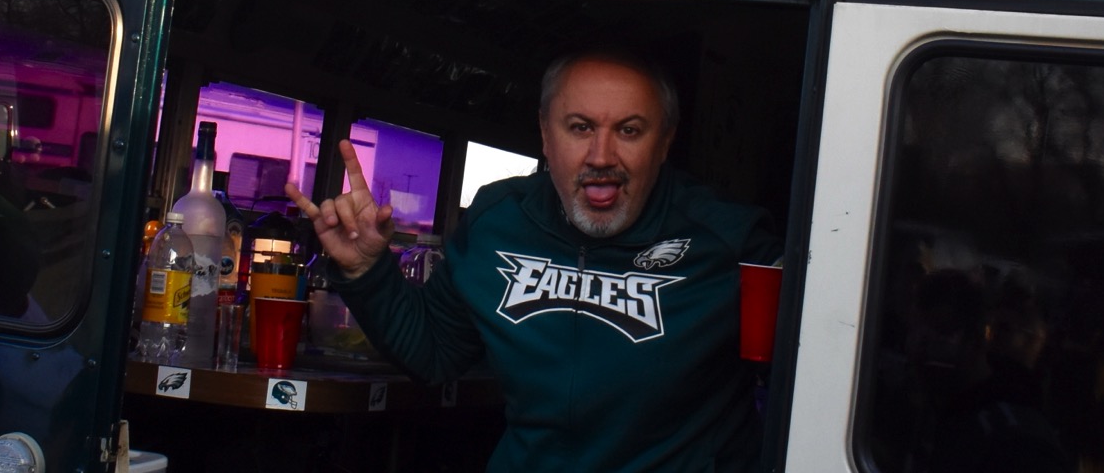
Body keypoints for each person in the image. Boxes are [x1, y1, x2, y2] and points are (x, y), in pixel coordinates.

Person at [286, 48, 783, 472]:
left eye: (630, 130)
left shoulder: (730, 241)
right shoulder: (499, 221)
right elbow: (434, 353)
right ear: (546, 134)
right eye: (580, 127)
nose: (601, 155)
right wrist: (365, 270)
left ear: (665, 141)